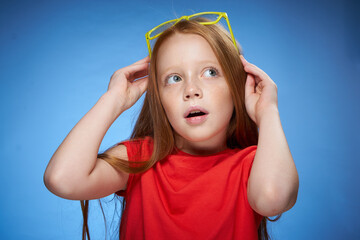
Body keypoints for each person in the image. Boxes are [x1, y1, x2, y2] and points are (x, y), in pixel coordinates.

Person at [44, 12, 299, 240]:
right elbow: (63, 179)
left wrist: (268, 112)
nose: (191, 90)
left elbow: (273, 198)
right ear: (159, 98)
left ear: (237, 86)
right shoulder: (141, 161)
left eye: (210, 72)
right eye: (174, 78)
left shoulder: (253, 166)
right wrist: (113, 100)